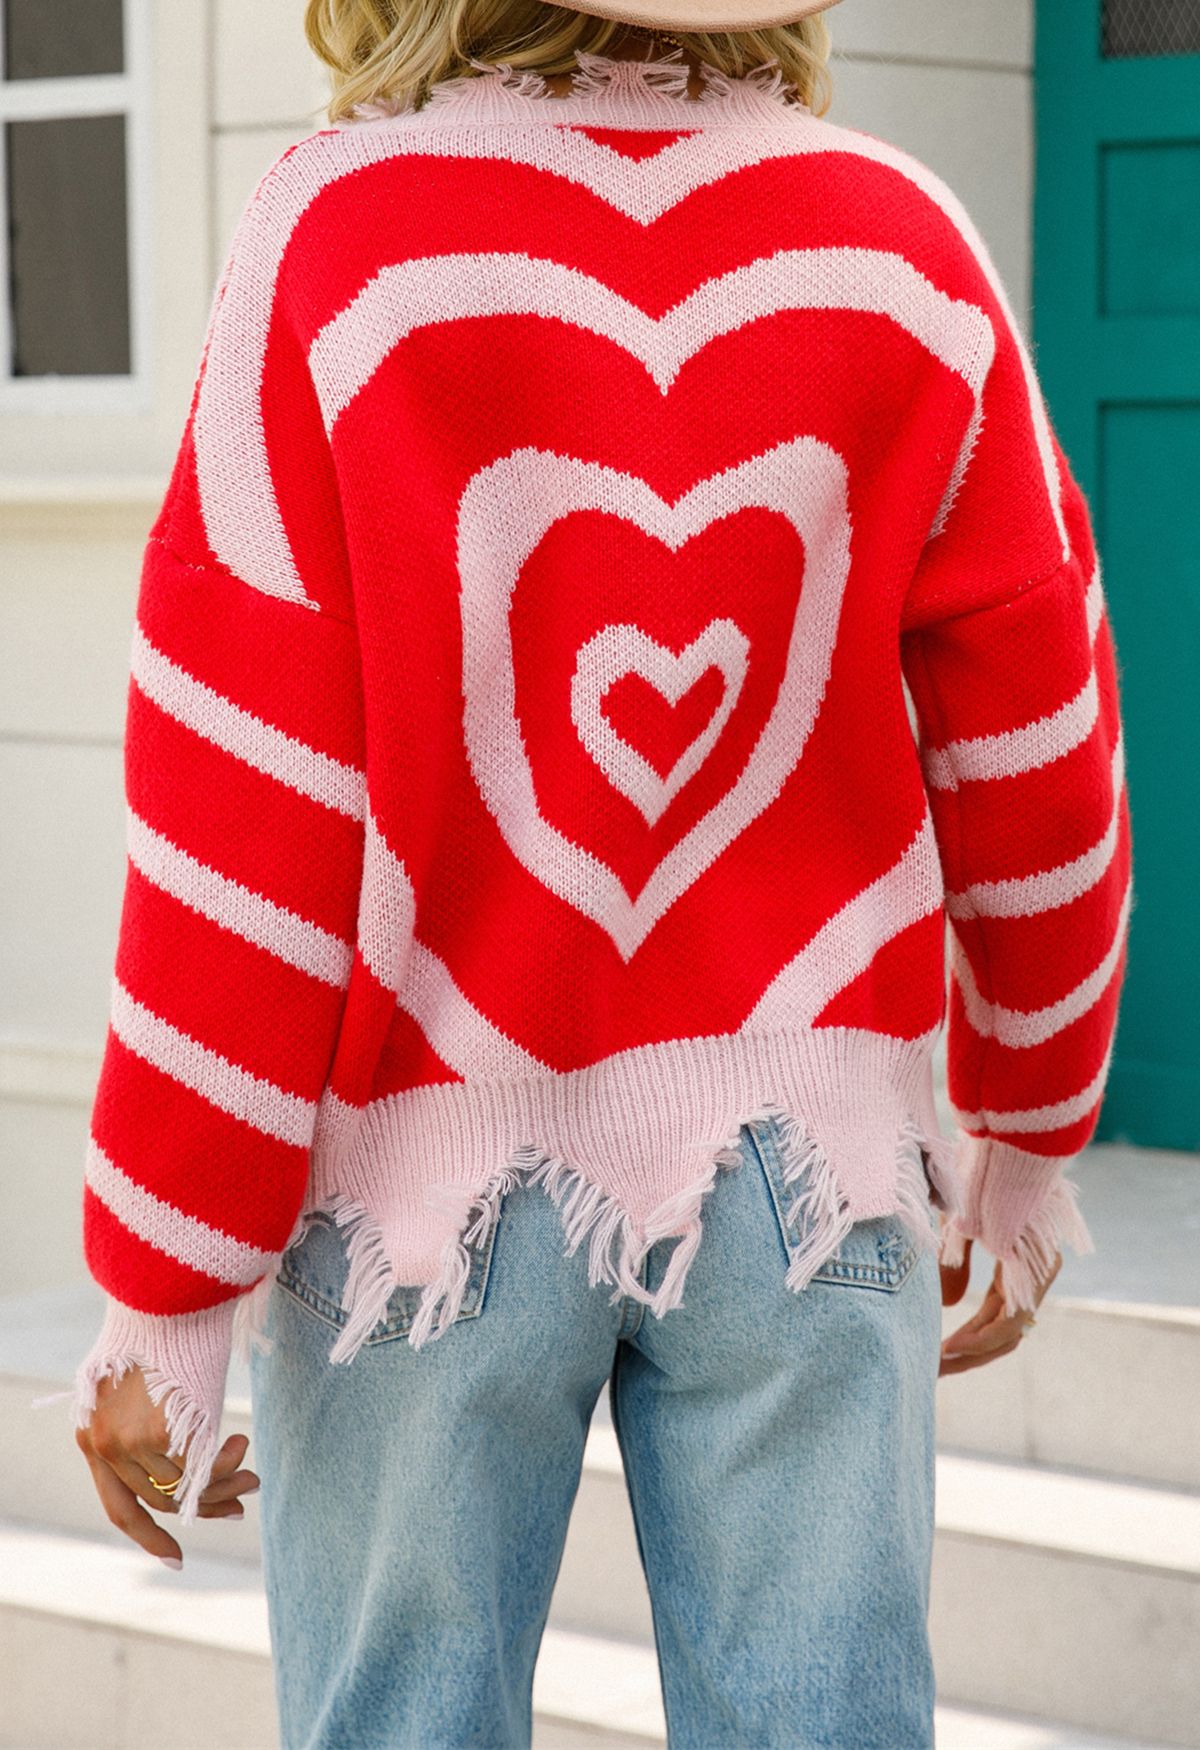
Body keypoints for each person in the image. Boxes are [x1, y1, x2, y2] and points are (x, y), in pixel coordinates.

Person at [60, 0, 1131, 1743]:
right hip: (812, 1161)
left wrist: (168, 1283)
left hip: (424, 1174)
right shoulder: (901, 244)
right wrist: (1030, 1129)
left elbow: (244, 800)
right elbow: (1038, 735)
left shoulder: (340, 249)